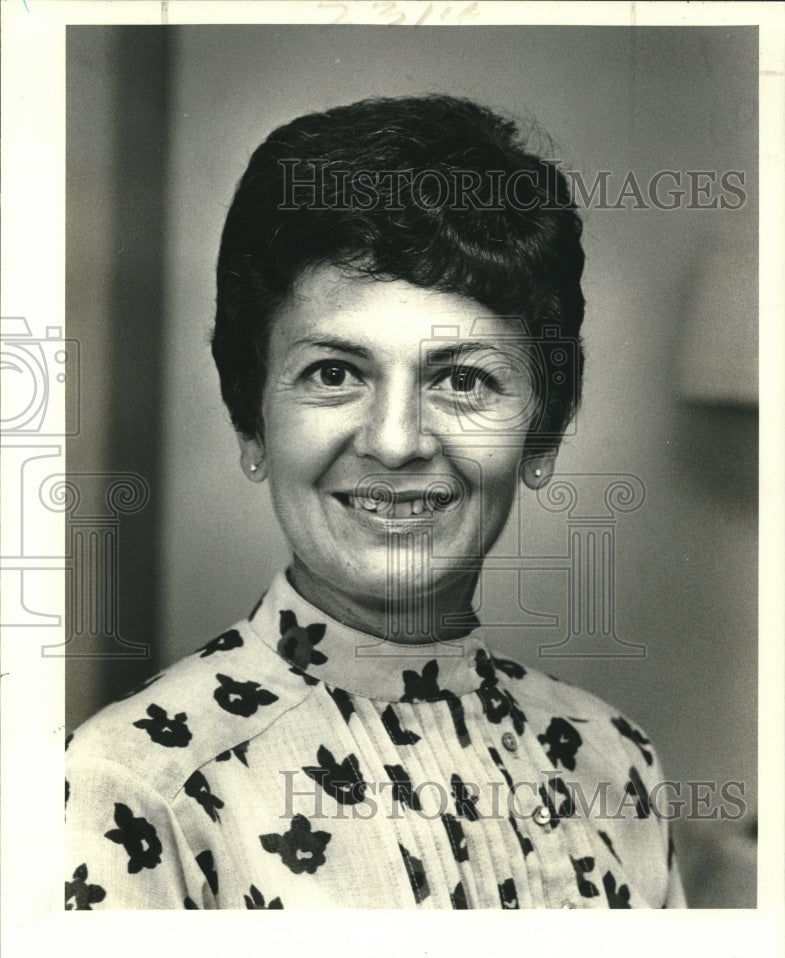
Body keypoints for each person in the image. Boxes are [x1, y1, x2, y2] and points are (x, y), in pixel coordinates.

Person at [65, 95, 685, 909]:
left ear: (543, 435)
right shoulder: (128, 788)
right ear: (252, 418)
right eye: (334, 373)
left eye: (462, 379)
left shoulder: (618, 763)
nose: (395, 442)